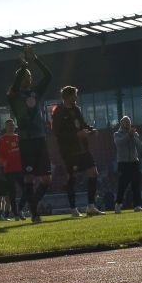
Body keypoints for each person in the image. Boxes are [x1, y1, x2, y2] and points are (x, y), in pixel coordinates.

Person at [7, 46, 54, 223]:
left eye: (30, 75)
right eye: (26, 75)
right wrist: (23, 66)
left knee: (47, 179)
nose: (29, 77)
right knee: (28, 177)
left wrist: (35, 60)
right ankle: (35, 214)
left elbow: (48, 76)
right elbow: (15, 85)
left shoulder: (36, 92)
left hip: (40, 138)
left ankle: (31, 204)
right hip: (26, 141)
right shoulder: (13, 96)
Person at [51, 85, 103, 216]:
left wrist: (91, 129)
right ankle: (73, 208)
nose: (76, 97)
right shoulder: (58, 111)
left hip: (83, 148)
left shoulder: (76, 109)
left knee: (93, 173)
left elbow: (82, 124)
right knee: (72, 178)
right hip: (69, 151)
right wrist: (75, 135)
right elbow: (57, 133)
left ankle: (90, 206)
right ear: (68, 96)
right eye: (74, 95)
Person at [0, 119, 23, 220]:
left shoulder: (18, 137)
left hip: (20, 168)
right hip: (9, 170)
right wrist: (3, 162)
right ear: (5, 127)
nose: (11, 127)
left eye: (12, 125)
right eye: (9, 125)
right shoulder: (2, 139)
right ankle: (15, 213)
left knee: (26, 189)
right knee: (11, 194)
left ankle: (20, 209)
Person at [112, 115, 142, 212]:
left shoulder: (134, 133)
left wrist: (133, 136)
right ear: (121, 123)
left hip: (134, 162)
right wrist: (128, 135)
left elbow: (139, 145)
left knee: (136, 184)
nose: (127, 123)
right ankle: (118, 204)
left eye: (129, 122)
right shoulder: (117, 134)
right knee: (123, 185)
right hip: (123, 163)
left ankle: (137, 205)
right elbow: (119, 144)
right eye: (125, 122)